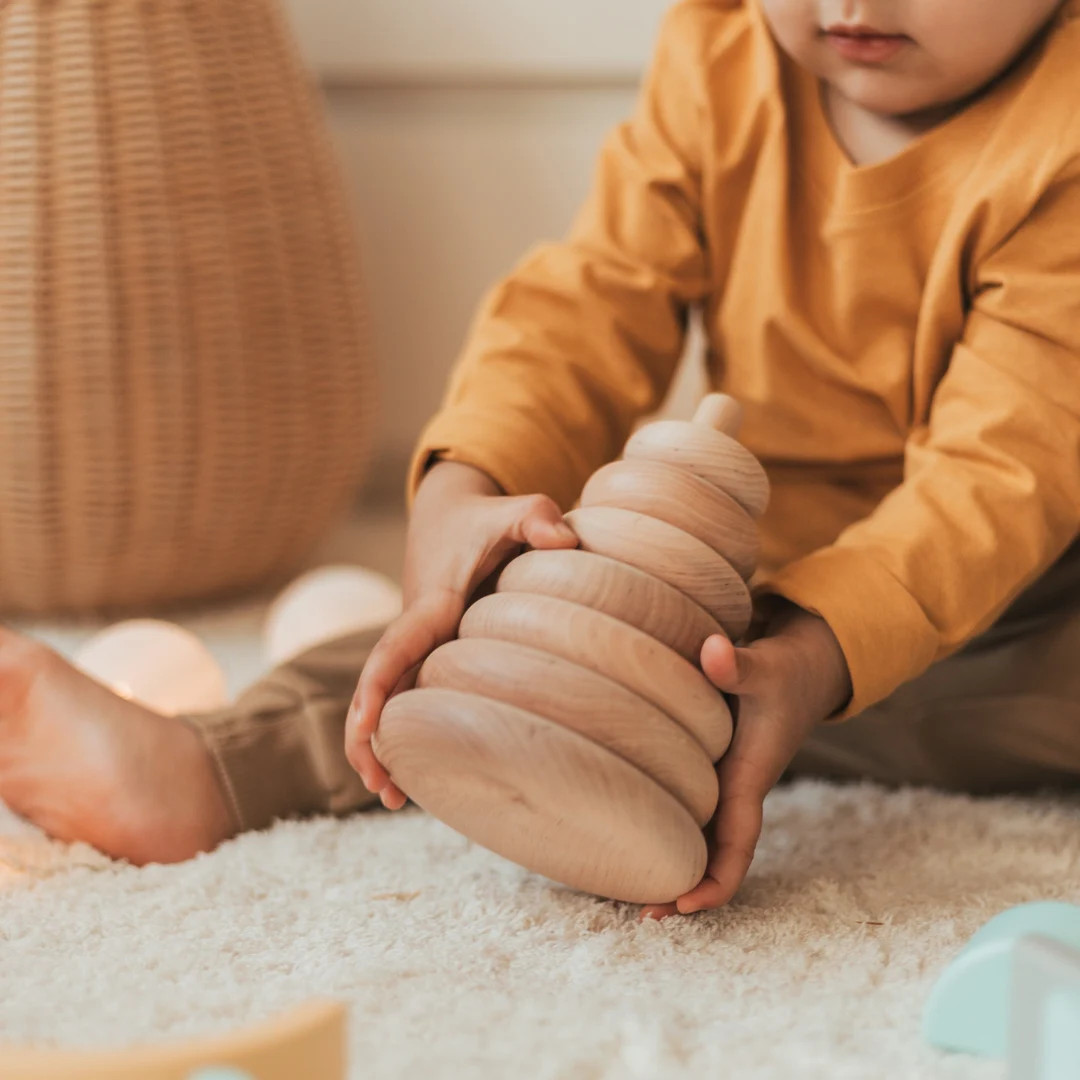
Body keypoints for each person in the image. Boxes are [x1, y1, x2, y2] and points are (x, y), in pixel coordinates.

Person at [3, 0, 1079, 919]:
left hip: (1024, 603)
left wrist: (813, 663)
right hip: (760, 594)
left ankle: (758, 704)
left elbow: (998, 479)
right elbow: (588, 305)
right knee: (503, 627)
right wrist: (463, 491)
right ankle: (215, 765)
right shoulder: (724, 54)